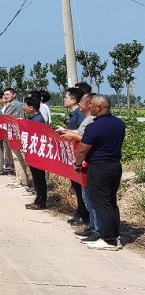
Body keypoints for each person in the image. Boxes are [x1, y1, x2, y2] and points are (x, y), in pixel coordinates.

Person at [76, 95, 125, 250]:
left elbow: (83, 149)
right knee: (111, 202)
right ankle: (115, 236)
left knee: (102, 204)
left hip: (99, 167)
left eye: (91, 104)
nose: (89, 106)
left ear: (98, 107)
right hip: (114, 166)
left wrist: (77, 164)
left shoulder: (94, 126)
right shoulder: (119, 123)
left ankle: (108, 240)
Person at [59, 91, 101, 242]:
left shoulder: (92, 121)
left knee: (92, 198)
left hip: (89, 163)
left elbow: (86, 140)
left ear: (90, 104)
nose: (79, 103)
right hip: (83, 162)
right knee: (86, 196)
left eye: (82, 101)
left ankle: (97, 230)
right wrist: (67, 132)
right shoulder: (87, 119)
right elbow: (81, 134)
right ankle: (93, 227)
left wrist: (73, 136)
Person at [58, 87, 89, 227]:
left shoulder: (81, 115)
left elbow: (83, 135)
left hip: (80, 157)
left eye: (66, 97)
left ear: (74, 100)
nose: (64, 100)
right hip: (73, 156)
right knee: (76, 186)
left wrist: (70, 133)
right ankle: (80, 212)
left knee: (80, 186)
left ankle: (84, 214)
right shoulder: (74, 114)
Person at [23, 95, 49, 210]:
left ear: (31, 107)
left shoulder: (37, 120)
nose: (24, 107)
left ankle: (41, 201)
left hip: (37, 153)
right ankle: (38, 199)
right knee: (36, 177)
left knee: (39, 177)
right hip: (33, 151)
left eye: (25, 105)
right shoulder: (34, 118)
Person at [2, 88, 31, 188]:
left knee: (18, 157)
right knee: (16, 157)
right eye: (5, 95)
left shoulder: (14, 104)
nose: (5, 96)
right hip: (14, 134)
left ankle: (22, 180)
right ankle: (20, 179)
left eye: (8, 94)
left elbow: (4, 116)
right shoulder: (12, 104)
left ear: (14, 95)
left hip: (17, 134)